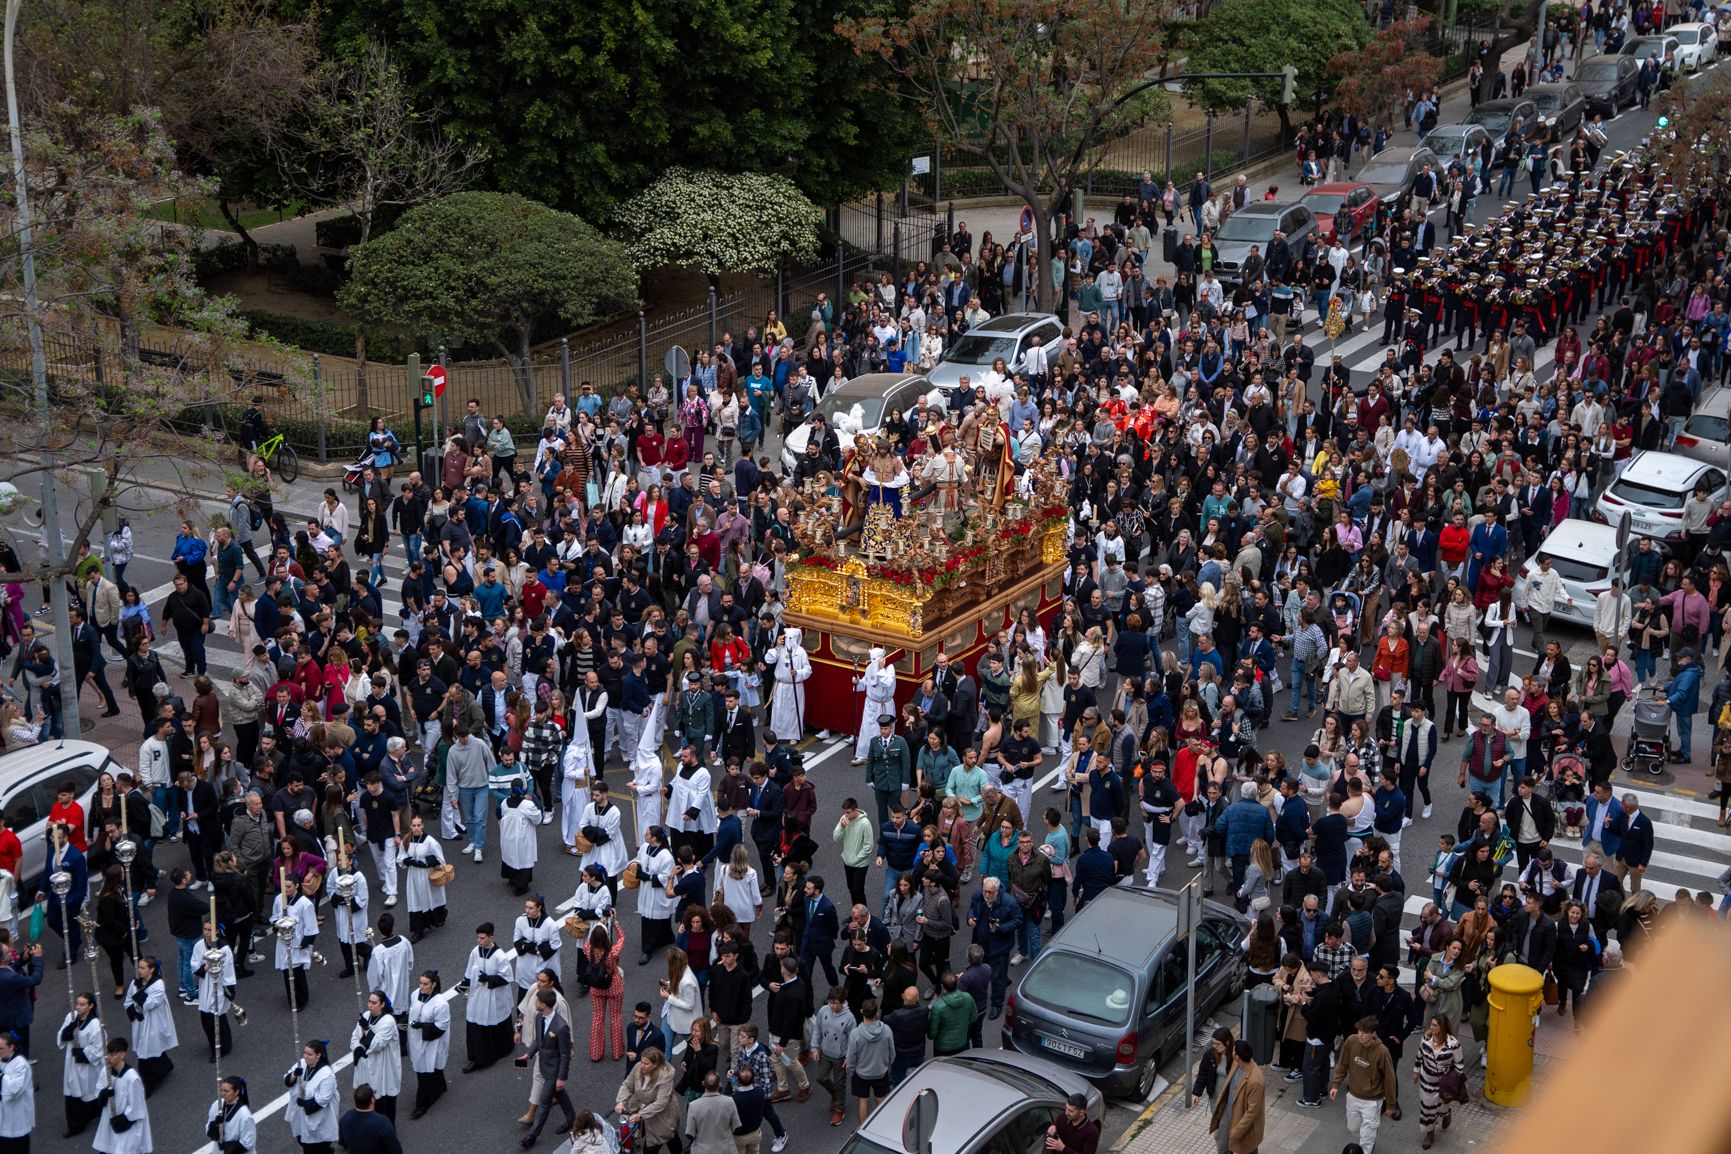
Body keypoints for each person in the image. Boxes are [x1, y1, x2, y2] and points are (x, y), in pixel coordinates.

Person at [1330, 1016, 1399, 1154]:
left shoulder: (1382, 1052)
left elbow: (1390, 1080)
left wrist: (1391, 1104)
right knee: (1353, 1128)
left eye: (1365, 1032)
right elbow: (1343, 1063)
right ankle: (1370, 1133)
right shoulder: (1351, 1041)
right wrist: (1336, 1084)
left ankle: (1368, 1142)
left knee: (1366, 1139)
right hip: (1353, 1096)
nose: (1360, 1035)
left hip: (1372, 1101)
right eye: (1359, 1030)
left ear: (1373, 1034)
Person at [519, 988, 578, 1148]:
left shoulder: (561, 1026)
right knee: (560, 1094)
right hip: (544, 1066)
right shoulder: (539, 1017)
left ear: (544, 1004)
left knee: (545, 1101)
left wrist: (561, 1078)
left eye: (537, 1001)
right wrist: (528, 1055)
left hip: (554, 1071)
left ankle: (532, 1136)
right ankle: (573, 1119)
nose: (535, 1003)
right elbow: (539, 1040)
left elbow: (565, 1055)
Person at [461, 922, 515, 1072]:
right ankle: (477, 1057)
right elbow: (469, 972)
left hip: (494, 996)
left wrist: (489, 979)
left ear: (491, 937)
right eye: (478, 938)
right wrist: (464, 985)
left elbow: (507, 977)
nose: (479, 941)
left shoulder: (499, 956)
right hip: (478, 995)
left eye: (483, 938)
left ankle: (499, 1050)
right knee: (475, 1023)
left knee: (494, 1023)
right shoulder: (475, 952)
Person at [124, 955, 177, 1095]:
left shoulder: (158, 985)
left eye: (142, 968)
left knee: (145, 1054)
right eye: (138, 967)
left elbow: (150, 1004)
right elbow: (129, 999)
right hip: (141, 1021)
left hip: (153, 1023)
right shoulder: (135, 983)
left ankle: (149, 1085)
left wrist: (140, 992)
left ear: (151, 969)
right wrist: (134, 1012)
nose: (139, 970)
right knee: (153, 1049)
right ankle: (166, 1066)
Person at [614, 1046, 680, 1154]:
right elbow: (627, 1085)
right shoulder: (638, 1067)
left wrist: (640, 1115)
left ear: (655, 1065)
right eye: (641, 1062)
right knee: (671, 1137)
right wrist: (621, 1102)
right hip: (643, 1110)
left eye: (646, 1064)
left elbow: (661, 1103)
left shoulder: (665, 1077)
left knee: (656, 1142)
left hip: (661, 1116)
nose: (642, 1066)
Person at [92, 1037, 152, 1154]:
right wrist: (103, 1094)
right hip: (109, 1121)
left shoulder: (131, 1078)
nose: (109, 1057)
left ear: (122, 1054)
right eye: (108, 1054)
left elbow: (137, 1106)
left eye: (113, 1054)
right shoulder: (105, 1071)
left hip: (126, 1125)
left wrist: (123, 1120)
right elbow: (98, 1092)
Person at [58, 991, 105, 1138]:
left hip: (86, 1064)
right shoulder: (71, 1017)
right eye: (77, 1004)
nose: (78, 1007)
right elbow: (61, 1036)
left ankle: (96, 1113)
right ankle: (75, 1125)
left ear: (90, 1006)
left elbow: (98, 1048)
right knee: (72, 1092)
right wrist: (68, 1030)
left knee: (89, 1090)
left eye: (82, 1004)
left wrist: (81, 1053)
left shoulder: (95, 1025)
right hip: (72, 1063)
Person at [1207, 1039, 1266, 1154]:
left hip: (1243, 1123)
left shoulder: (1256, 1081)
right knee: (1223, 1148)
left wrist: (1237, 1132)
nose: (1231, 1052)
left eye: (1233, 1050)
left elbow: (1252, 1112)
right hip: (1227, 1116)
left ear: (1237, 1057)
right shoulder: (1237, 1063)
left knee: (1247, 1149)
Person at [352, 990, 402, 1123]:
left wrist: (367, 1029)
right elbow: (355, 1037)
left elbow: (378, 1044)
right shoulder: (366, 1016)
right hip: (366, 1065)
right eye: (369, 1002)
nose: (370, 1005)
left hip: (383, 1067)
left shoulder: (388, 1021)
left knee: (383, 1103)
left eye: (374, 1003)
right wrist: (358, 1048)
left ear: (382, 1004)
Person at [1413, 1014, 1462, 1148]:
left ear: (1443, 1027)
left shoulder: (1453, 1044)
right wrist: (1416, 1071)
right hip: (1427, 1082)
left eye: (1435, 1025)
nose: (1432, 1028)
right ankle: (1430, 1133)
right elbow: (1420, 1055)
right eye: (1431, 1024)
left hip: (1444, 1084)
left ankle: (1446, 1113)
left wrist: (1455, 1081)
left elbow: (1459, 1065)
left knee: (1442, 1105)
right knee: (1428, 1108)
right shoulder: (1426, 1039)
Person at [406, 970, 449, 1119]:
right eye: (420, 983)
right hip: (416, 1038)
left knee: (425, 1071)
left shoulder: (440, 1003)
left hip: (432, 1042)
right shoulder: (414, 994)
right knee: (426, 1067)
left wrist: (423, 1026)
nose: (422, 987)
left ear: (434, 984)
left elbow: (441, 1027)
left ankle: (422, 1104)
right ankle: (441, 1085)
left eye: (425, 984)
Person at [284, 1040, 341, 1154]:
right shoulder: (302, 1064)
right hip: (301, 1116)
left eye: (310, 1054)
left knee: (315, 1147)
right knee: (302, 1141)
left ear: (318, 1055)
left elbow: (323, 1099)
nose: (305, 1057)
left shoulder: (327, 1075)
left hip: (319, 1117)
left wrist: (304, 1103)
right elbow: (287, 1080)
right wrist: (294, 1075)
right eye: (305, 1053)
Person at [844, 997, 894, 1124]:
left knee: (863, 1101)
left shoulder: (855, 1034)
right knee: (881, 1100)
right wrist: (887, 1065)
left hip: (862, 1074)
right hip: (881, 1071)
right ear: (876, 1013)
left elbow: (851, 1057)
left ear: (861, 1011)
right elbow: (892, 1052)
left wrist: (853, 1070)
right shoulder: (886, 1030)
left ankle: (863, 1131)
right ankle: (883, 1128)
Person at [685, 1071, 740, 1154]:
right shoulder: (729, 1102)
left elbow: (690, 1133)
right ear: (719, 1085)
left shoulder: (693, 1105)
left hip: (702, 1150)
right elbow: (736, 1126)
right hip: (725, 1149)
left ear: (703, 1083)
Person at [336, 1085, 401, 1154]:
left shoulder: (346, 1117)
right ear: (372, 1100)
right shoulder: (382, 1122)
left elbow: (342, 1142)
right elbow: (395, 1149)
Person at [205, 1075, 256, 1154]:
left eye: (226, 1091)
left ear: (236, 1092)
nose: (223, 1093)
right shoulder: (217, 1105)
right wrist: (215, 1125)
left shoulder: (244, 1115)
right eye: (221, 1090)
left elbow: (247, 1143)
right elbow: (208, 1129)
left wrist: (226, 1147)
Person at [0, 1029, 30, 1154]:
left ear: (11, 1047)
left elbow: (14, 1090)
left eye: (1, 1048)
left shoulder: (21, 1064)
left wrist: (2, 1077)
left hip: (16, 1117)